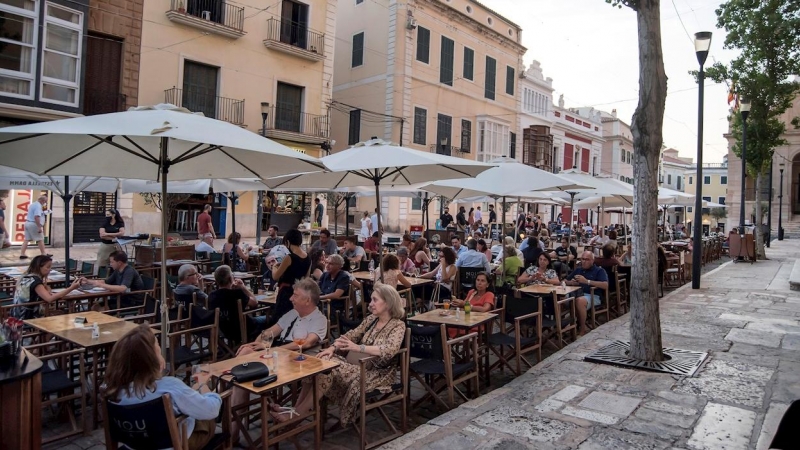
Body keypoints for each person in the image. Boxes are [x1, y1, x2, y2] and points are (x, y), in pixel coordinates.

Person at [272, 284, 406, 428]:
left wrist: (358, 347)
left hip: (377, 374)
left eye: (375, 300)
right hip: (356, 366)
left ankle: (296, 415)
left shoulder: (398, 326)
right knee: (321, 362)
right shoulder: (371, 319)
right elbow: (351, 334)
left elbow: (390, 350)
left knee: (326, 370)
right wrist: (332, 348)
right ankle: (295, 411)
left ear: (388, 302)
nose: (371, 303)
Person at [104, 325, 222, 450]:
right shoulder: (169, 386)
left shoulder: (110, 389)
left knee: (190, 395)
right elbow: (212, 410)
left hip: (133, 445)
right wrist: (204, 386)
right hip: (174, 444)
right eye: (158, 347)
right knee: (207, 412)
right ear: (151, 358)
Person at [12, 255, 81, 319]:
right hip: (27, 315)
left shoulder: (26, 277)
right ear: (39, 267)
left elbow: (44, 293)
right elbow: (49, 299)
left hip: (17, 312)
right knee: (63, 316)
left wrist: (47, 288)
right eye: (48, 267)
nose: (50, 270)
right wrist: (71, 288)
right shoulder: (35, 281)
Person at [209, 265, 264, 341]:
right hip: (242, 328)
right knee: (269, 319)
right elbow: (255, 303)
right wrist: (243, 287)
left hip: (222, 330)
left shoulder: (212, 295)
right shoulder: (237, 293)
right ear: (230, 278)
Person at [268, 229, 310, 324]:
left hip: (286, 293)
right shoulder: (308, 257)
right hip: (299, 292)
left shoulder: (289, 257)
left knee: (280, 320)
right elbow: (307, 278)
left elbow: (275, 276)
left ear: (287, 242)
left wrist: (274, 267)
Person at [565, 251, 609, 335]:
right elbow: (565, 280)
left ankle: (582, 329)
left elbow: (605, 285)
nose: (584, 261)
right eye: (583, 259)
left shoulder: (599, 271)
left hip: (592, 295)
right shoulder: (578, 269)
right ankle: (563, 327)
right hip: (576, 293)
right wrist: (571, 282)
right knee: (561, 299)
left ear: (592, 260)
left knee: (579, 301)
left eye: (587, 259)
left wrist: (587, 281)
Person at [20, 194, 49, 259]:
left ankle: (22, 253)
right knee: (40, 239)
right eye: (45, 201)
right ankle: (43, 253)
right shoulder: (38, 206)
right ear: (42, 201)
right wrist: (39, 227)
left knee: (26, 239)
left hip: (27, 223)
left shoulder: (33, 204)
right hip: (33, 224)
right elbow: (36, 216)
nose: (45, 203)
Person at [96, 208, 125, 273]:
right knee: (102, 263)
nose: (107, 216)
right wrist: (114, 237)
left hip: (116, 246)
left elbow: (121, 233)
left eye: (108, 214)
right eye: (106, 214)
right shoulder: (104, 223)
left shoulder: (119, 223)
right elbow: (102, 235)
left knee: (116, 262)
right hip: (105, 246)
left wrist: (107, 234)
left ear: (113, 215)